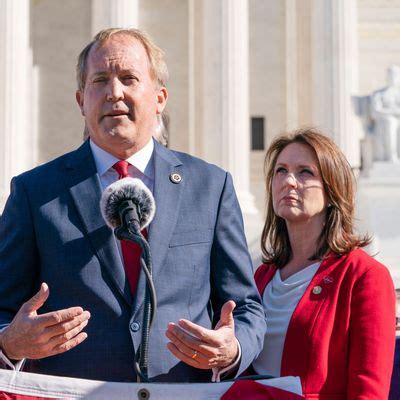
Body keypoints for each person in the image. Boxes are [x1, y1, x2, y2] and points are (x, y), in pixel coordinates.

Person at [0, 28, 265, 383]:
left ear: (159, 98)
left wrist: (232, 350)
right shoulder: (34, 192)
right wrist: (9, 342)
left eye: (129, 78)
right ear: (81, 101)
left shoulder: (210, 187)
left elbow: (245, 307)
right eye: (99, 80)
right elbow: (3, 308)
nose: (114, 92)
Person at [251, 128, 396, 399]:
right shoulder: (261, 275)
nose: (289, 181)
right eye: (281, 170)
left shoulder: (364, 276)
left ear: (332, 191)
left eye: (305, 172)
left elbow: (369, 390)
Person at [370, 65, 400, 162]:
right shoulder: (379, 94)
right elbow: (375, 111)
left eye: (395, 75)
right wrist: (392, 111)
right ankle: (391, 155)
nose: (393, 77)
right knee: (389, 122)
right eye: (391, 75)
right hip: (384, 121)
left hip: (396, 120)